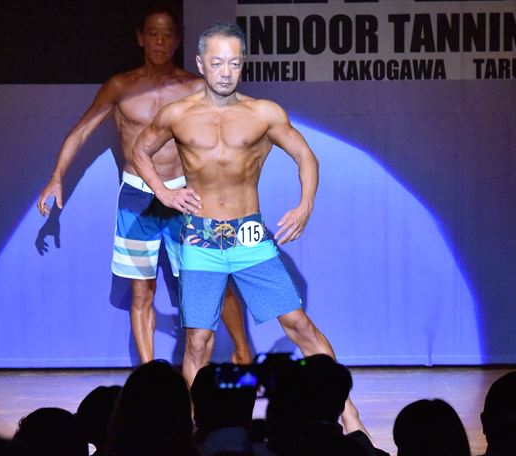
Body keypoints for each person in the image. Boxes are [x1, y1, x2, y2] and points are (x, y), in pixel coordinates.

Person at [132, 22, 368, 434]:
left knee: (299, 326)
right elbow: (140, 150)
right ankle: (192, 430)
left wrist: (305, 205)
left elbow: (306, 156)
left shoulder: (263, 113)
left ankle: (349, 415)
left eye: (234, 63)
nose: (226, 72)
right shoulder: (177, 114)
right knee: (198, 342)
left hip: (248, 236)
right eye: (217, 63)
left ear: (243, 64)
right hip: (200, 237)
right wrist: (164, 193)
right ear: (201, 63)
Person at [36, 7, 251, 366]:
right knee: (141, 292)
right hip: (137, 196)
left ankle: (243, 352)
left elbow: (228, 136)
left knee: (213, 279)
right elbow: (82, 131)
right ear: (141, 38)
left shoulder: (194, 87)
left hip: (186, 195)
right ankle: (151, 374)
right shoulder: (121, 87)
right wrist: (57, 176)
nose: (160, 42)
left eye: (168, 35)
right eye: (153, 34)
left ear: (177, 41)